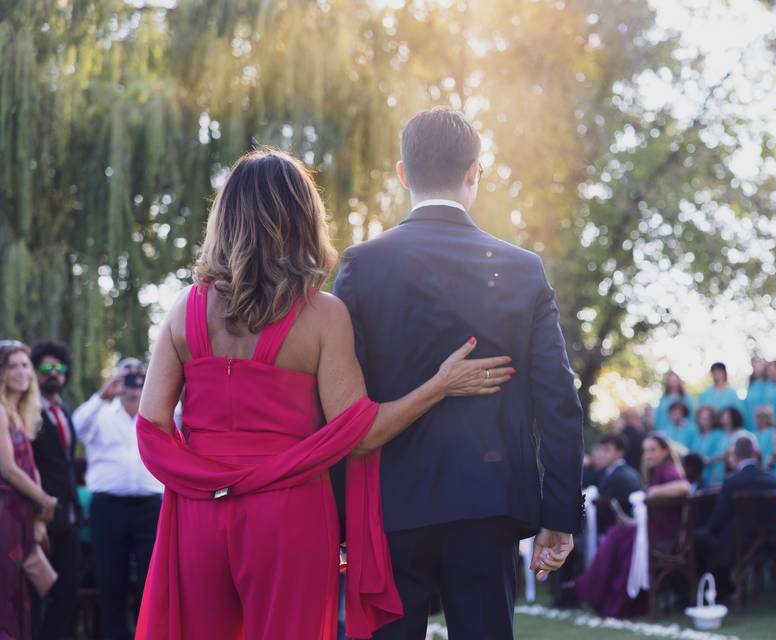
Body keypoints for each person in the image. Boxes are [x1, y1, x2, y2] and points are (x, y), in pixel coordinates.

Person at [134, 148, 513, 639]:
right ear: (302, 218)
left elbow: (151, 427)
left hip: (197, 514)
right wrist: (440, 386)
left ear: (223, 219)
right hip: (288, 514)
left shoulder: (185, 308)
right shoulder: (323, 315)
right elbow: (359, 433)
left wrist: (203, 479)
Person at [334, 108, 584, 640]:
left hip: (390, 506)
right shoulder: (522, 269)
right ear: (476, 171)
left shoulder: (362, 265)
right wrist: (559, 512)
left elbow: (334, 401)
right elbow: (558, 400)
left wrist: (336, 519)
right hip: (488, 502)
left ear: (403, 173)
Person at [72, 359, 161, 640]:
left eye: (139, 375)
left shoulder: (162, 408)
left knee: (153, 577)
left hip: (151, 506)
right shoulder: (100, 413)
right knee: (111, 578)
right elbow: (76, 428)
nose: (133, 382)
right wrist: (103, 393)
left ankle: (151, 633)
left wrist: (158, 385)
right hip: (109, 507)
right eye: (127, 374)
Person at [574, 433, 690, 618]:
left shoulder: (667, 470)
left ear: (665, 451)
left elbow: (684, 487)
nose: (648, 455)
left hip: (664, 534)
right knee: (617, 534)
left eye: (652, 450)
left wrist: (651, 492)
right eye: (645, 451)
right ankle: (599, 593)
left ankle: (606, 597)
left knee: (617, 536)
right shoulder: (657, 471)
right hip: (652, 530)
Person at [0, 340, 58, 640]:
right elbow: (9, 468)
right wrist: (46, 501)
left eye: (25, 365)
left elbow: (31, 468)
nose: (22, 372)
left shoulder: (20, 415)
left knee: (20, 595)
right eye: (12, 366)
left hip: (21, 516)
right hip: (4, 516)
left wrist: (39, 517)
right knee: (5, 595)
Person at [29, 341, 83, 639]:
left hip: (70, 515)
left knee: (68, 593)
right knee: (36, 590)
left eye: (59, 368)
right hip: (40, 513)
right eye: (47, 368)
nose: (54, 373)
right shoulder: (27, 410)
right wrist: (38, 513)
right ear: (37, 371)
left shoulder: (63, 409)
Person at [694, 434, 776, 594]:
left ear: (735, 455)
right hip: (768, 539)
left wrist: (710, 528)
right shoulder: (772, 479)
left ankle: (716, 590)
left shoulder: (733, 481)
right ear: (754, 453)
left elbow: (717, 519)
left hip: (737, 542)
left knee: (699, 538)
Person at [592, 434, 643, 533]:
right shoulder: (622, 472)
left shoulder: (619, 477)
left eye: (606, 450)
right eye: (601, 450)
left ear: (620, 453)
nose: (602, 454)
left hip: (619, 533)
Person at [691, 406, 727, 488]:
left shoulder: (719, 434)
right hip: (699, 476)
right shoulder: (697, 436)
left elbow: (722, 453)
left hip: (714, 475)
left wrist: (709, 460)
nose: (704, 421)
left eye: (707, 418)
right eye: (702, 418)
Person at [744, 357, 768, 432]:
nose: (757, 366)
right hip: (751, 426)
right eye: (755, 363)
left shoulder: (769, 385)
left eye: (760, 363)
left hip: (766, 427)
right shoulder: (751, 386)